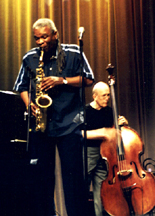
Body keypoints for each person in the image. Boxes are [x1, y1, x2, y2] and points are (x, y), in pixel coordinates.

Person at [13, 18, 94, 216]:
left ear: (55, 35)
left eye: (44, 37)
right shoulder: (30, 57)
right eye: (36, 38)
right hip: (43, 126)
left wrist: (62, 80)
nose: (40, 42)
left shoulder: (74, 52)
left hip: (69, 123)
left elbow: (89, 78)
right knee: (42, 180)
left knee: (73, 179)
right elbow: (21, 87)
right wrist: (29, 104)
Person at [84, 81, 128, 216]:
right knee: (82, 189)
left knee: (100, 192)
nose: (107, 98)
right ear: (94, 96)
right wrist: (101, 132)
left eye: (108, 95)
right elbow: (75, 133)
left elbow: (115, 134)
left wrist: (123, 124)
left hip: (106, 155)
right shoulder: (84, 111)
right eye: (104, 95)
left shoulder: (109, 111)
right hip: (88, 154)